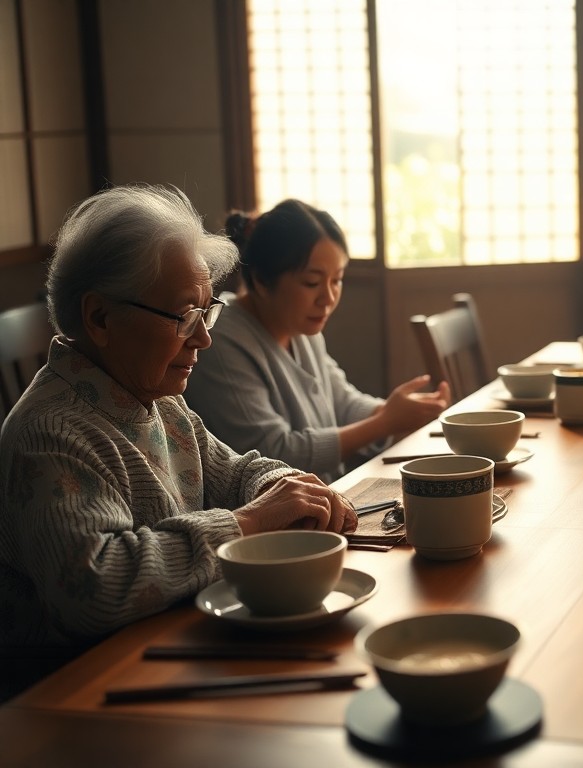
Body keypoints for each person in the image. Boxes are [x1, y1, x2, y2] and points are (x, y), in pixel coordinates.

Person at [0, 185, 357, 676]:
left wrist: (283, 488)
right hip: (75, 691)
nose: (204, 337)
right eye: (184, 315)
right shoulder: (50, 432)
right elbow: (98, 587)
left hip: (169, 649)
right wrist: (248, 522)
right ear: (99, 317)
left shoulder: (159, 401)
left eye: (207, 311)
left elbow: (234, 472)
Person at [184, 200, 449, 483]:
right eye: (312, 283)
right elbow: (273, 452)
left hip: (323, 498)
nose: (328, 298)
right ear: (261, 280)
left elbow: (342, 401)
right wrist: (385, 422)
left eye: (337, 280)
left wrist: (404, 410)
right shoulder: (222, 340)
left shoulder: (299, 325)